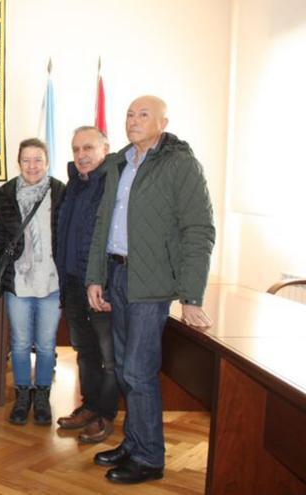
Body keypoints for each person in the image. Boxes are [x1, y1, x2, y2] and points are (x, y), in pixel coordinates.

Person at [86, 96, 215, 484]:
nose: (134, 120)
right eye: (129, 114)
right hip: (119, 275)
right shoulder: (120, 162)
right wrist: (96, 276)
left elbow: (199, 230)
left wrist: (192, 296)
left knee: (139, 372)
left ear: (163, 121)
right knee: (126, 369)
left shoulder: (180, 164)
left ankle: (149, 457)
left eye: (144, 114)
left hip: (152, 283)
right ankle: (134, 442)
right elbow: (103, 225)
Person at [0, 138, 65, 426]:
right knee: (21, 343)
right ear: (18, 162)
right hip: (19, 281)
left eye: (38, 159)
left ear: (47, 161)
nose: (32, 166)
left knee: (47, 344)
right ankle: (22, 396)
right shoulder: (7, 193)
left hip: (52, 281)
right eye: (26, 160)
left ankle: (42, 397)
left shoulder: (61, 192)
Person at [54, 127, 117, 443]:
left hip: (100, 286)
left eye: (88, 147)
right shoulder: (73, 186)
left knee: (109, 355)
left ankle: (106, 414)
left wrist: (103, 281)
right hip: (73, 283)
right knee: (85, 352)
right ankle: (90, 406)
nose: (81, 155)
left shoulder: (115, 185)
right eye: (76, 148)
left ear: (106, 148)